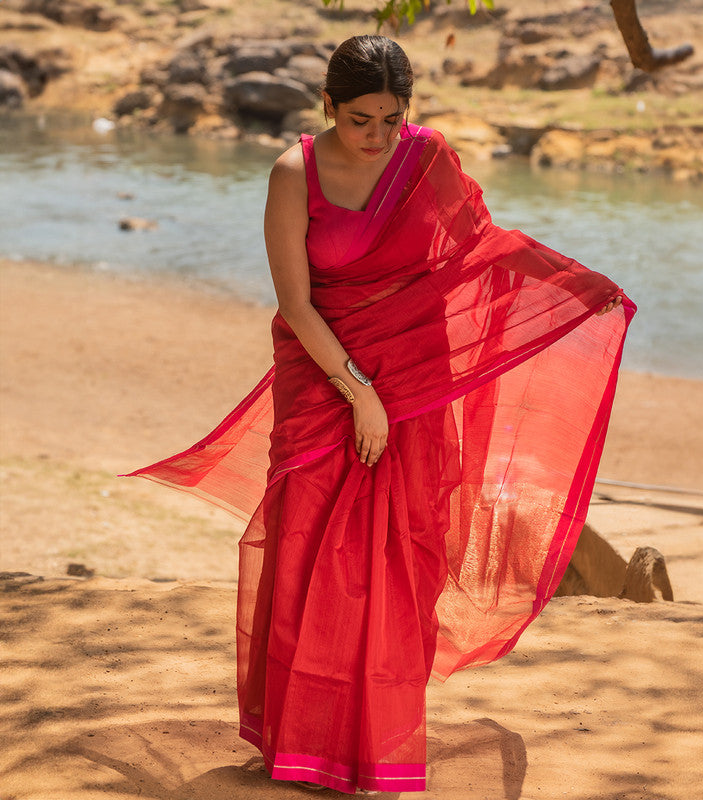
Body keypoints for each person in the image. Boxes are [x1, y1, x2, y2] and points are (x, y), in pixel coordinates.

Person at [128, 35, 633, 795]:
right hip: (325, 376)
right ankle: (300, 741)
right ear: (326, 106)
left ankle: (374, 742)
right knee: (309, 547)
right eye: (361, 119)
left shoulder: (427, 160)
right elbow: (295, 303)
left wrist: (569, 289)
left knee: (397, 556)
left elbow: (474, 254)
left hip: (413, 379)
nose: (376, 137)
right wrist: (360, 393)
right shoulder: (294, 173)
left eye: (392, 120)